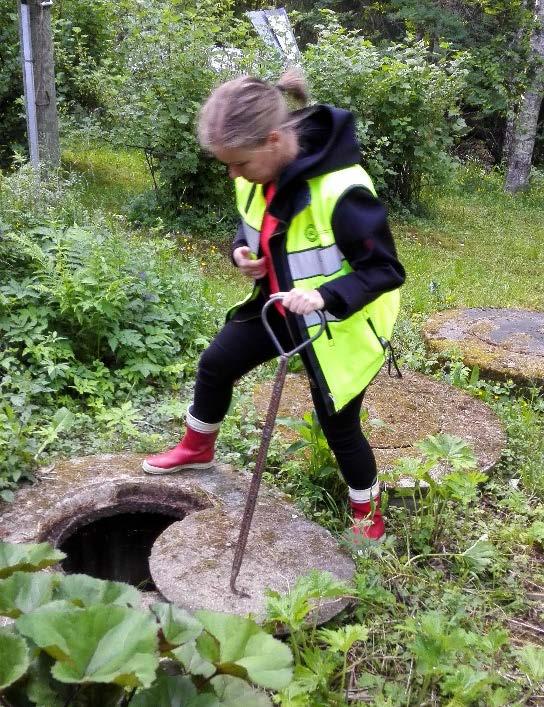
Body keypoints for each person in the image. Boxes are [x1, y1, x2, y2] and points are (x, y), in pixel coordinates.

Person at [142, 70, 405, 542]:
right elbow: (250, 227)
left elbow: (385, 270)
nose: (232, 173)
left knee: (339, 426)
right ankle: (197, 447)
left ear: (273, 140)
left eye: (239, 162)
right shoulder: (252, 174)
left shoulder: (343, 191)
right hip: (278, 309)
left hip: (337, 328)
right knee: (216, 363)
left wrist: (325, 295)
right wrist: (241, 252)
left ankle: (367, 516)